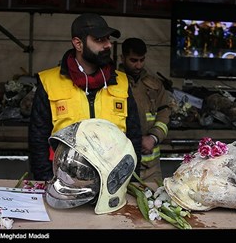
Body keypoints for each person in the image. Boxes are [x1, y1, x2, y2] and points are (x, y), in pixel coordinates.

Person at [28, 13, 142, 182]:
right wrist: (46, 180)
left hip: (113, 183)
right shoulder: (49, 82)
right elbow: (37, 139)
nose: (108, 45)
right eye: (99, 40)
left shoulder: (122, 83)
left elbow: (134, 137)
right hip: (63, 182)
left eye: (108, 39)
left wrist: (131, 181)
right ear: (78, 44)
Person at [119, 38, 170, 183]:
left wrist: (153, 137)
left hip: (152, 168)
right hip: (122, 163)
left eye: (142, 60)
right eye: (133, 60)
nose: (138, 65)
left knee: (156, 203)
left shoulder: (154, 85)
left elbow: (164, 114)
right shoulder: (112, 83)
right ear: (122, 58)